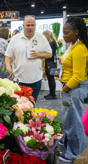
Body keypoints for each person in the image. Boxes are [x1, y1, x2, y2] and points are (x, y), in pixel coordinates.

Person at [58, 17, 88, 163]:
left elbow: (78, 76)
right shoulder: (73, 45)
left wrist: (65, 89)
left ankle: (76, 153)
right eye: (63, 33)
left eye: (66, 33)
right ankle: (70, 145)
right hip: (69, 88)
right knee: (69, 120)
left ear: (76, 32)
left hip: (73, 89)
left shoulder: (80, 49)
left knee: (75, 123)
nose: (63, 36)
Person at [5, 15, 52, 101]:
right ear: (23, 26)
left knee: (32, 104)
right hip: (19, 80)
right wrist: (8, 68)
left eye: (32, 25)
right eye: (28, 25)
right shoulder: (15, 39)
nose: (30, 27)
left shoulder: (41, 37)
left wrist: (39, 54)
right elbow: (8, 55)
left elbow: (49, 54)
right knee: (19, 106)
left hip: (36, 79)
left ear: (35, 25)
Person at [42, 30, 58, 100]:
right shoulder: (51, 43)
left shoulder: (52, 43)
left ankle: (53, 94)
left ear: (47, 35)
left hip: (51, 64)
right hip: (50, 64)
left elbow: (50, 55)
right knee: (50, 79)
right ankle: (51, 93)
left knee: (51, 79)